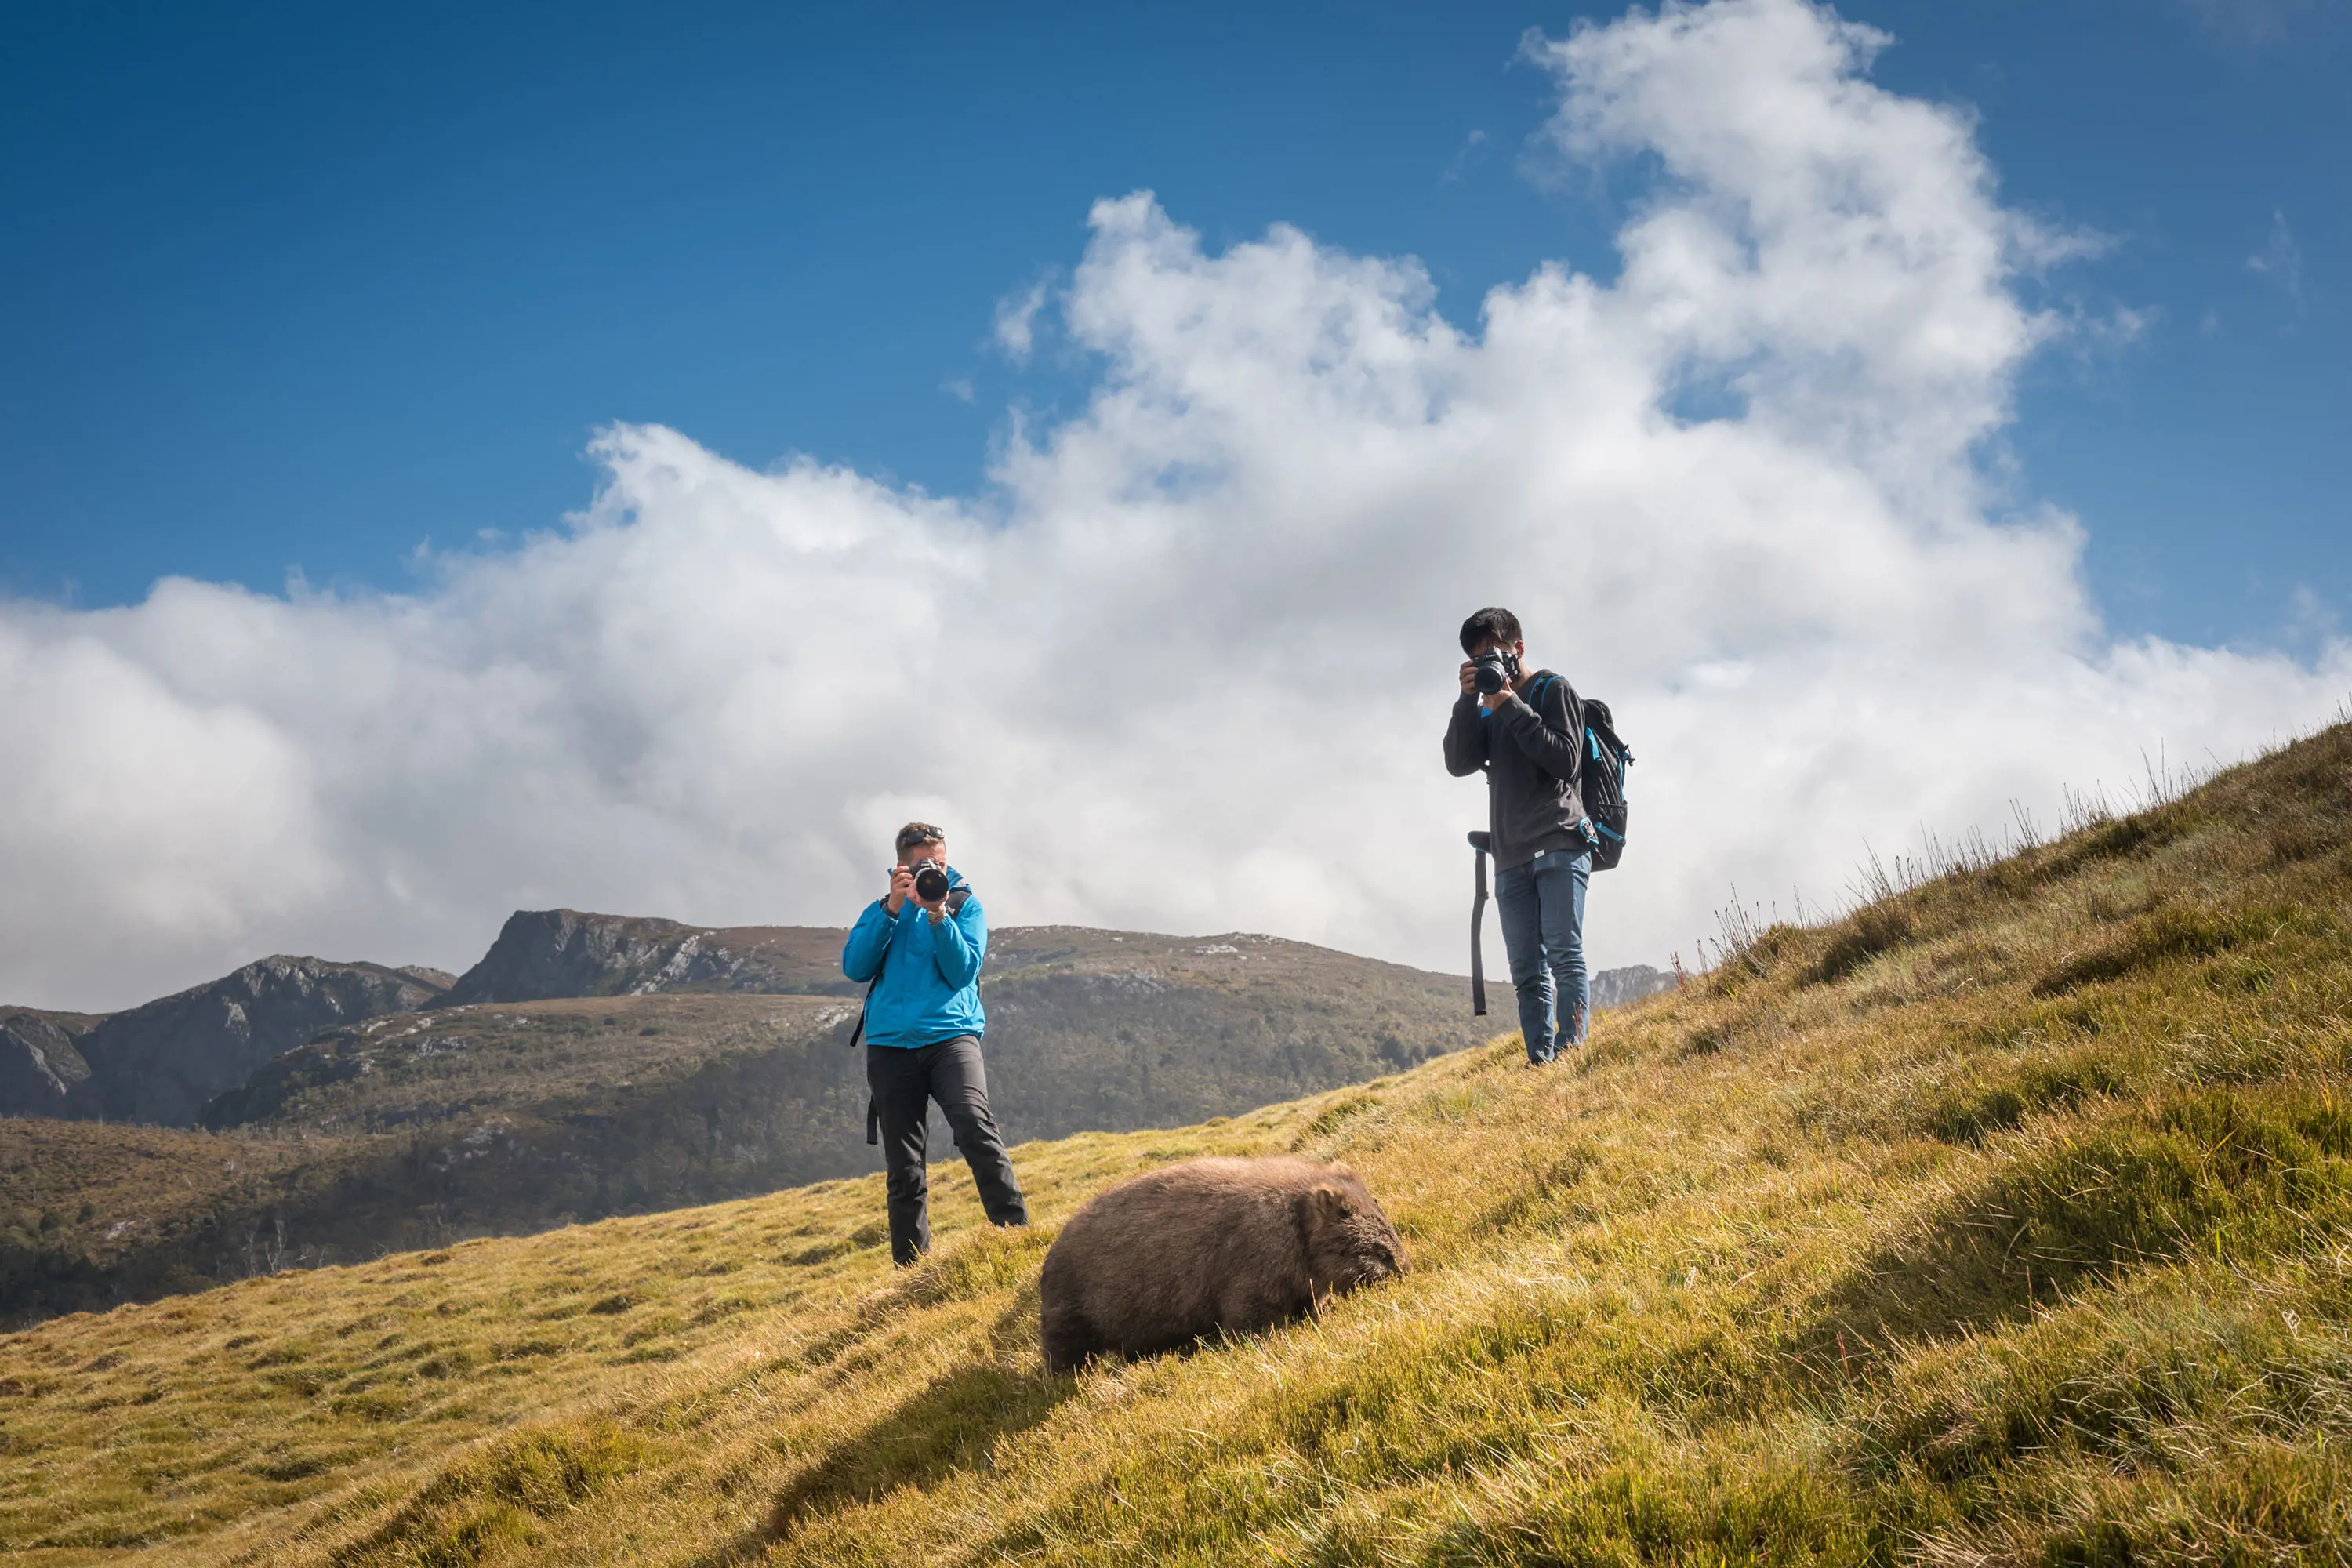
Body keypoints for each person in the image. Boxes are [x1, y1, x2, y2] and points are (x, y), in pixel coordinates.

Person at [841, 822, 1029, 1265]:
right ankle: (912, 1270)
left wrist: (938, 915)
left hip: (951, 1037)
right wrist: (892, 908)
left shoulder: (964, 905)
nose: (932, 869)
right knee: (904, 1165)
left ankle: (1016, 1238)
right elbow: (855, 966)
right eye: (923, 863)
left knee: (974, 1126)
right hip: (890, 1046)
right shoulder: (882, 909)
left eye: (939, 862)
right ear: (901, 863)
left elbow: (963, 970)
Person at [1442, 608, 1593, 1064]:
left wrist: (1510, 703)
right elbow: (1457, 762)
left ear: (1518, 649)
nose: (1486, 663)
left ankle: (1572, 1056)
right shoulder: (1486, 708)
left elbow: (1566, 760)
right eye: (1476, 659)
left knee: (1564, 955)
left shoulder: (1553, 689)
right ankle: (1539, 1063)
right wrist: (1469, 701)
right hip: (1509, 856)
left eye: (1492, 654)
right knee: (1526, 972)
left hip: (1560, 843)